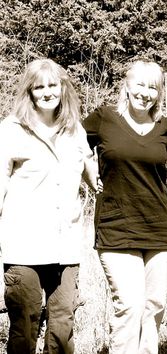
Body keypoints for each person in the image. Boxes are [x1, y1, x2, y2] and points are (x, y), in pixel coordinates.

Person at [0, 58, 98, 354]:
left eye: (52, 85)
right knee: (25, 325)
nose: (47, 92)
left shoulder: (75, 130)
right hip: (23, 246)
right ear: (29, 91)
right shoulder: (11, 129)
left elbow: (93, 175)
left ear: (62, 88)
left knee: (62, 328)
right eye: (39, 86)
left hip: (65, 245)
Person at [82, 60, 167, 354]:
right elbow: (72, 141)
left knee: (154, 305)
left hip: (159, 226)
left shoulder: (165, 126)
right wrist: (88, 173)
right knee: (129, 305)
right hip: (116, 224)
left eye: (153, 87)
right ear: (126, 84)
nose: (146, 93)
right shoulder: (105, 117)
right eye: (140, 84)